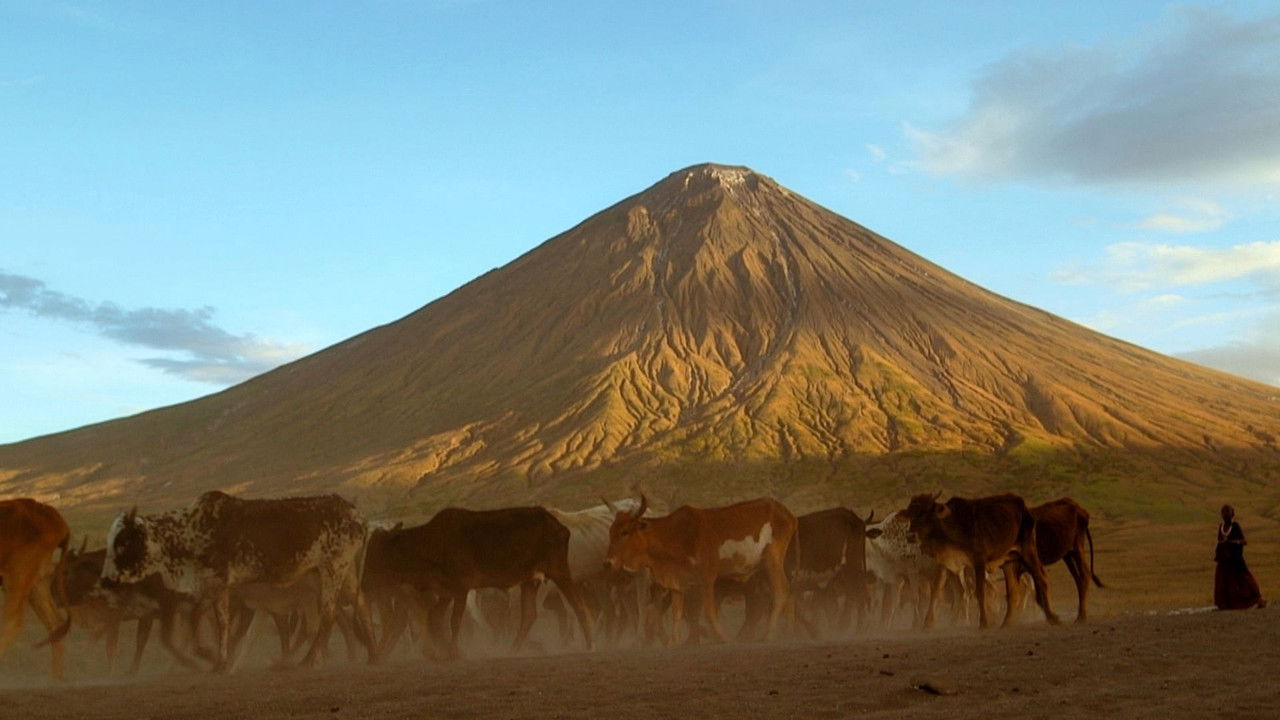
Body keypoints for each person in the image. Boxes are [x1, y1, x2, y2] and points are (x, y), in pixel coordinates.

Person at [1214, 505, 1266, 610]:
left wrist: (1232, 543)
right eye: (1224, 513)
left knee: (1245, 580)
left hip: (1236, 560)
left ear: (1232, 515)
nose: (1226, 515)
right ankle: (1226, 604)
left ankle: (1257, 599)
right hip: (1224, 560)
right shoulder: (1221, 527)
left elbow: (1243, 541)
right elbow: (1219, 541)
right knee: (1223, 583)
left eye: (1227, 513)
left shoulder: (1235, 526)